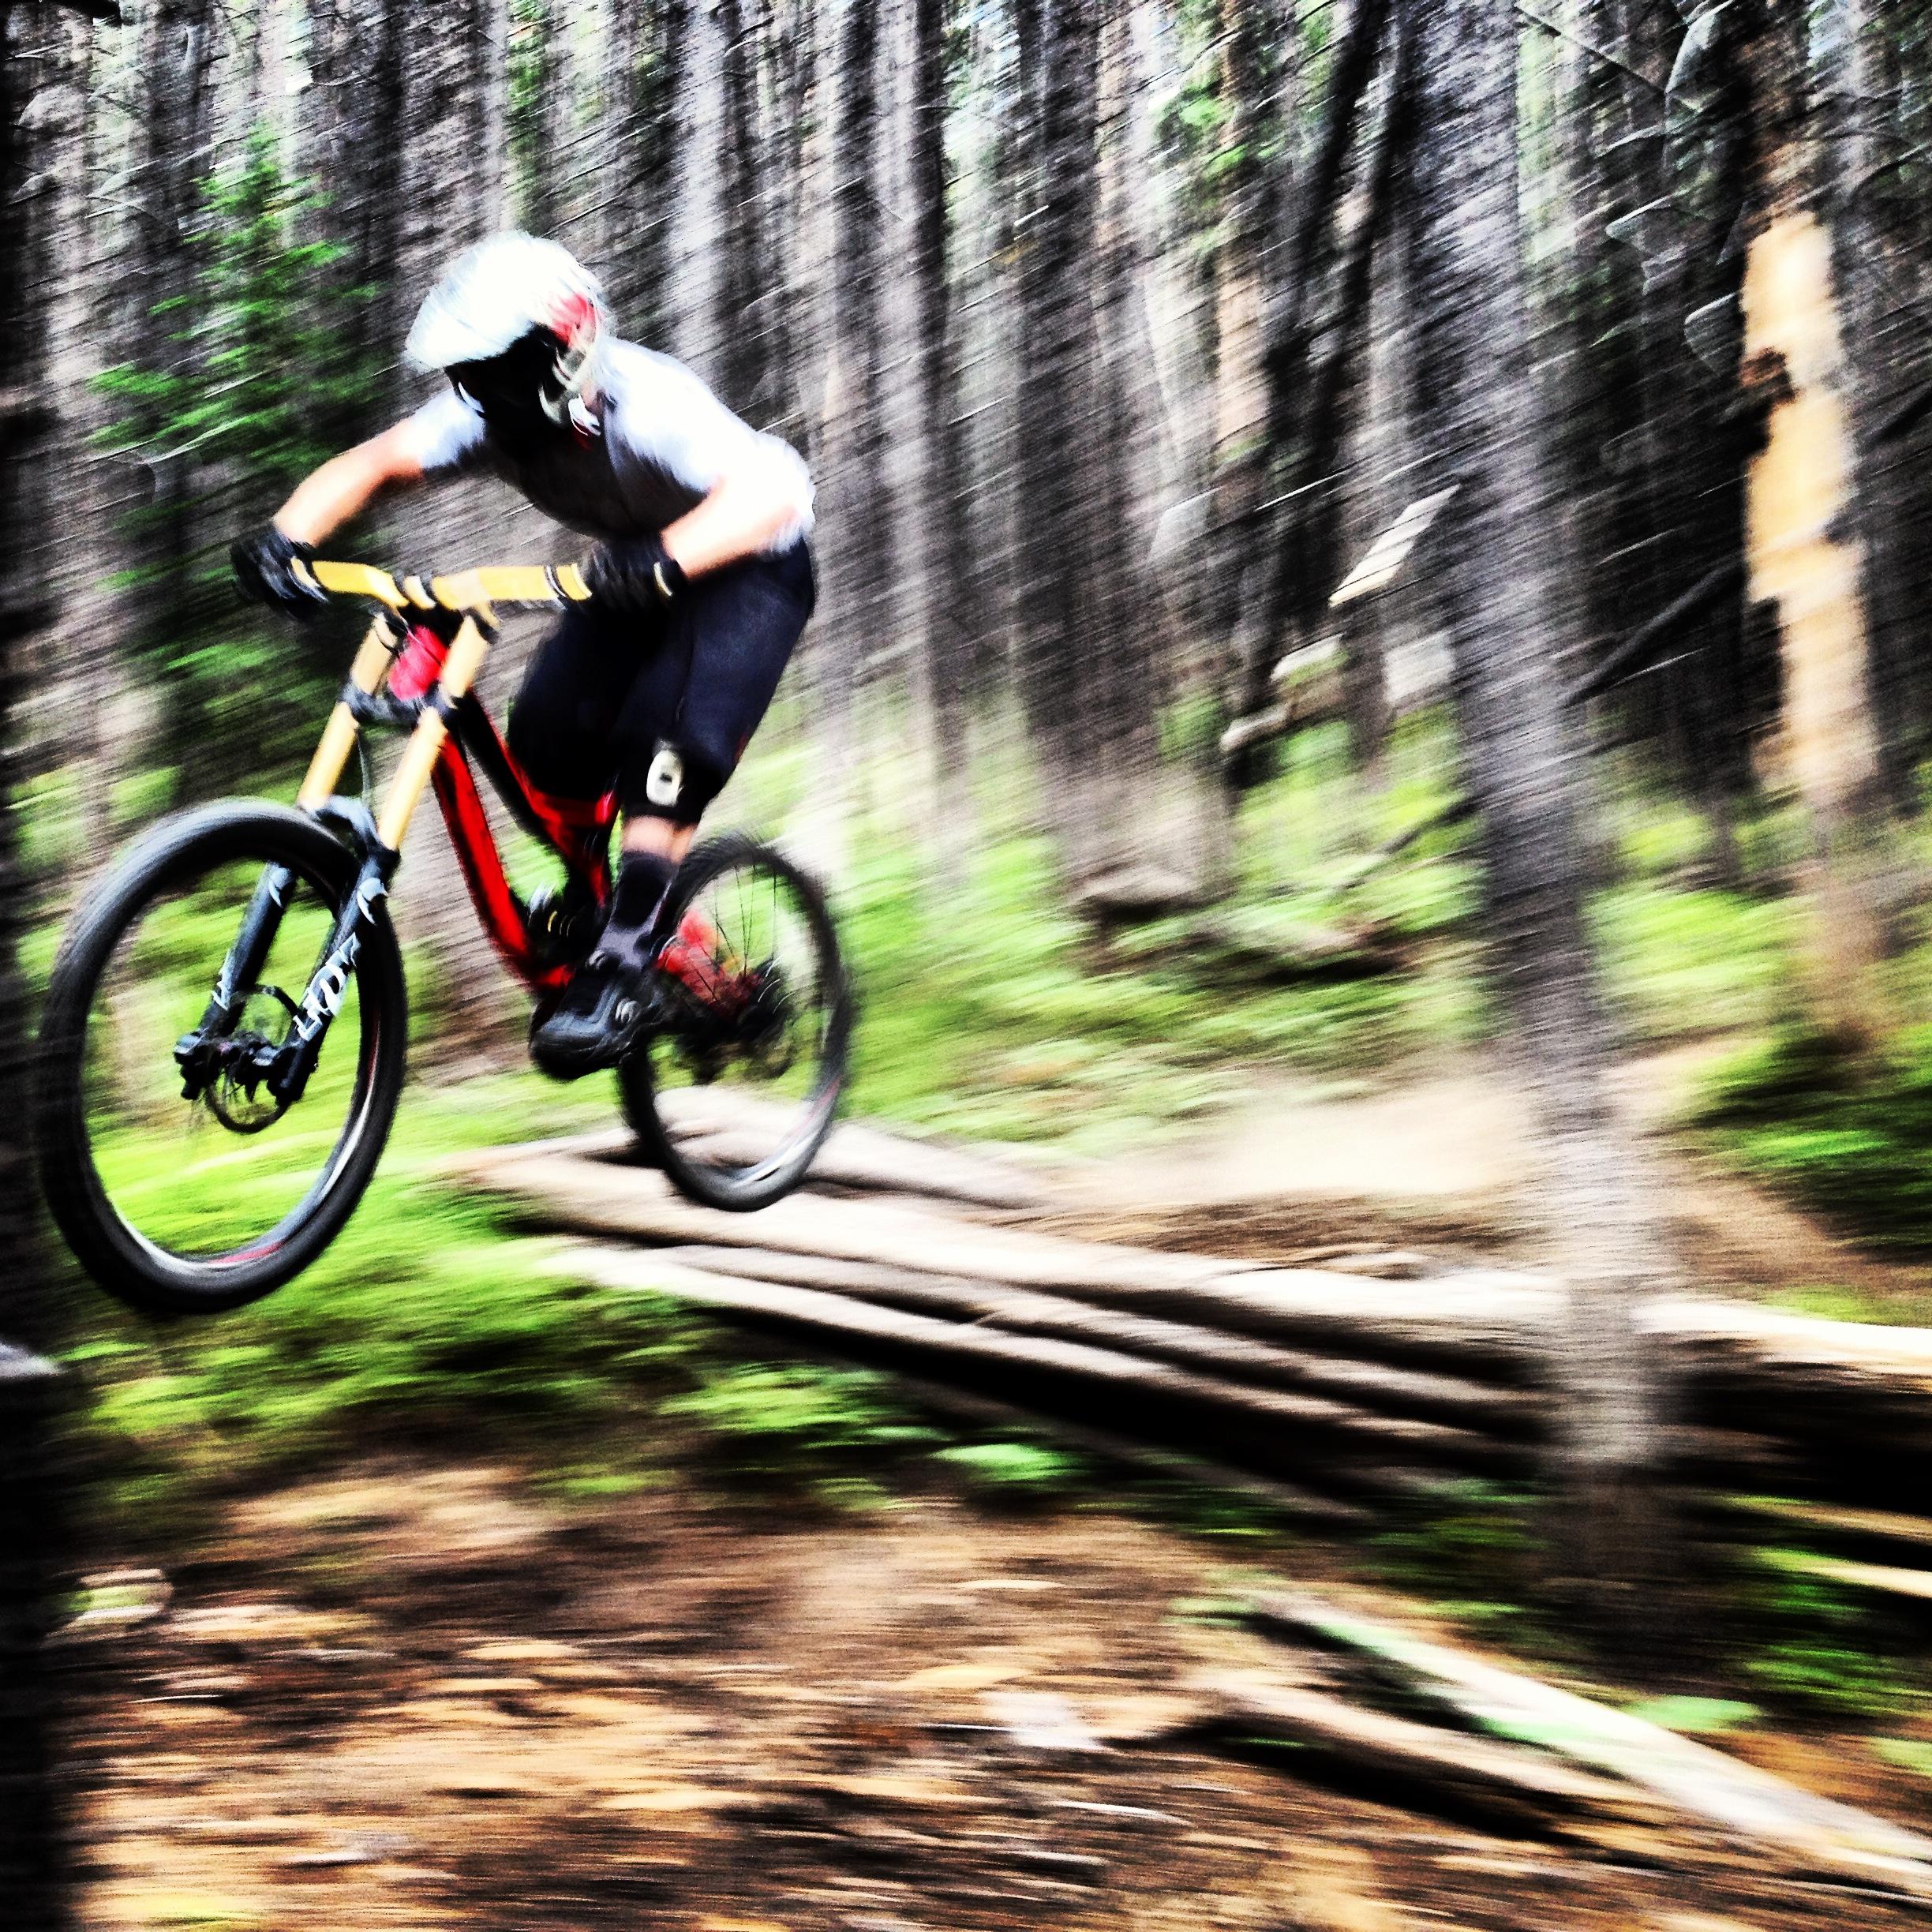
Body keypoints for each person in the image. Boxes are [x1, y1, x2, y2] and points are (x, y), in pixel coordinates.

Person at [230, 232, 816, 1079]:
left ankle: (619, 960)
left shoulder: (645, 405)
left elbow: (777, 490)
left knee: (666, 748)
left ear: (567, 346)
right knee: (545, 734)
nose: (486, 396)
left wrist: (668, 558)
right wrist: (287, 536)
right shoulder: (485, 418)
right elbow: (374, 463)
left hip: (753, 562)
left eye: (505, 371)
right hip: (635, 568)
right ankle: (592, 896)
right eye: (473, 377)